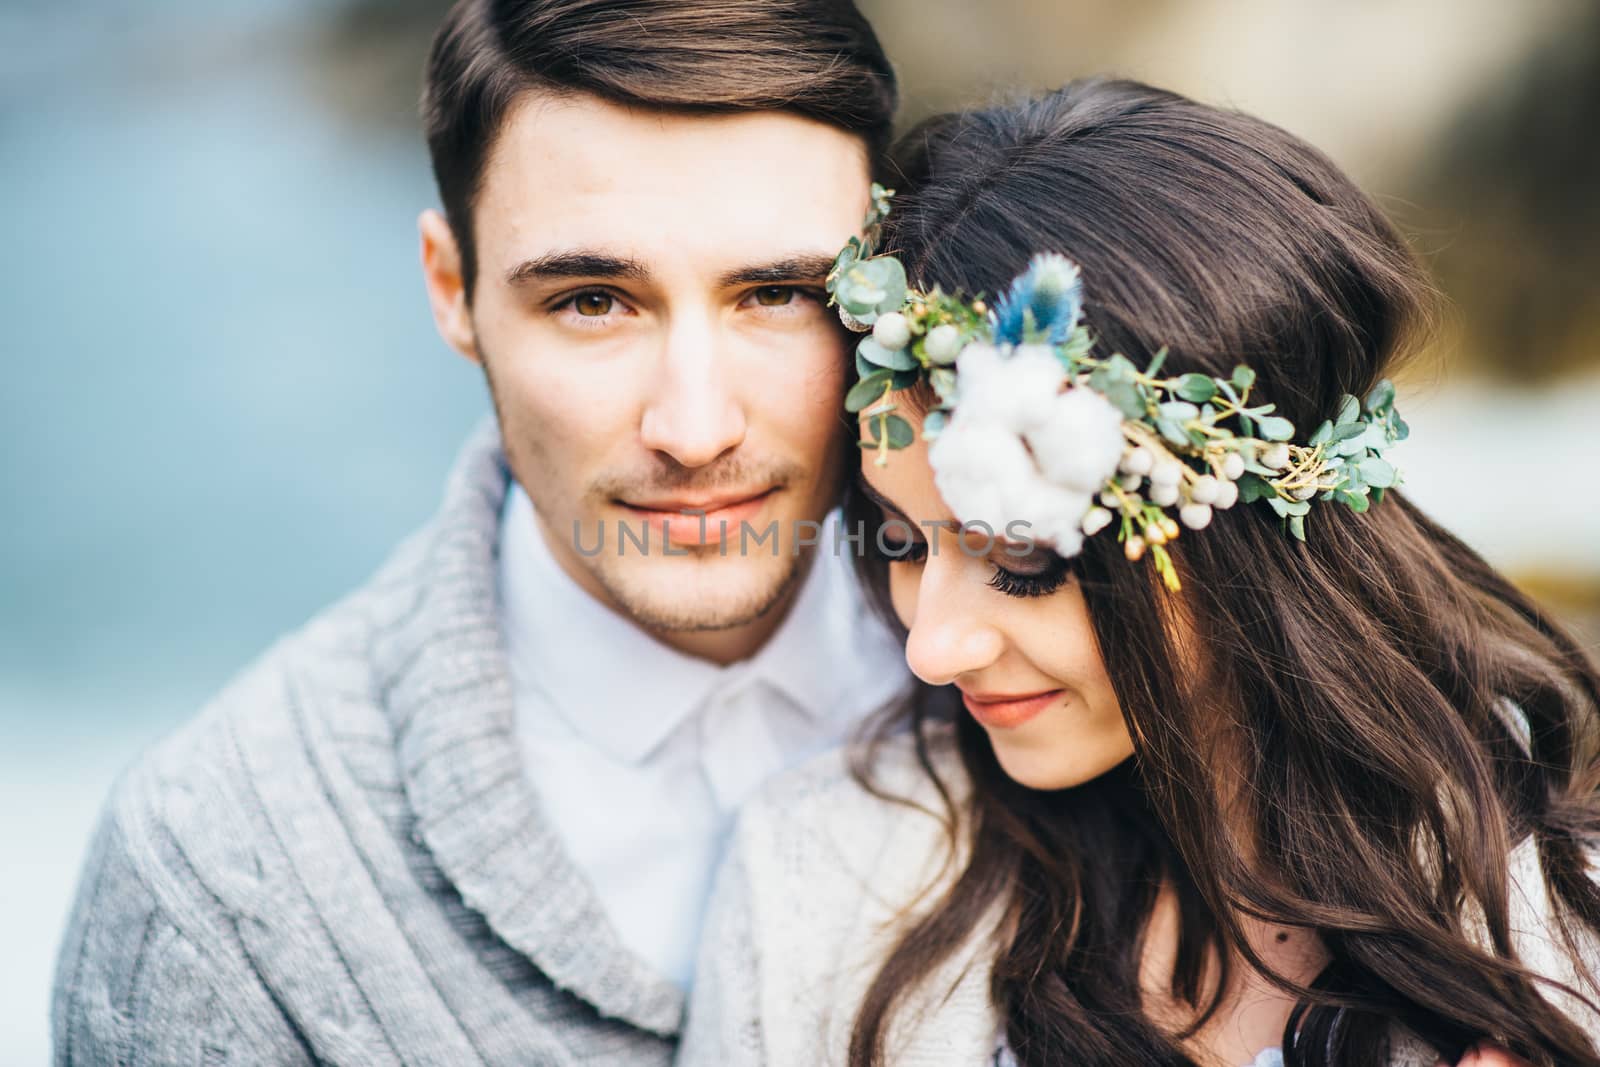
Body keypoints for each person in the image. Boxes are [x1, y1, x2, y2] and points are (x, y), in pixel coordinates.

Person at [678, 79, 1600, 1067]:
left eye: (1024, 554)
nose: (933, 646)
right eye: (902, 541)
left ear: (1238, 534)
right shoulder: (818, 880)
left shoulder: (1556, 931)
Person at [51, 1, 908, 1063]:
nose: (695, 429)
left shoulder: (1081, 685)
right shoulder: (215, 884)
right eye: (593, 300)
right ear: (451, 288)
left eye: (781, 293)